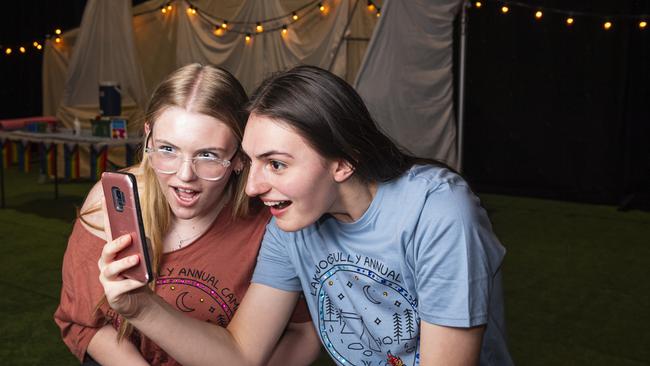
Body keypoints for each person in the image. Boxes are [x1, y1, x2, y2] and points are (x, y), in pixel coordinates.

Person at [98, 65, 514, 365]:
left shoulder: (438, 212)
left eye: (276, 164)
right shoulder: (291, 225)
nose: (253, 187)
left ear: (343, 163)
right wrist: (140, 306)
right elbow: (241, 355)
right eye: (251, 162)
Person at [54, 64, 320, 366]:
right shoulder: (110, 203)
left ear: (239, 157)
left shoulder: (270, 223)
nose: (184, 175)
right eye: (167, 149)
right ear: (148, 138)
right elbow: (83, 322)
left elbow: (303, 335)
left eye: (207, 155)